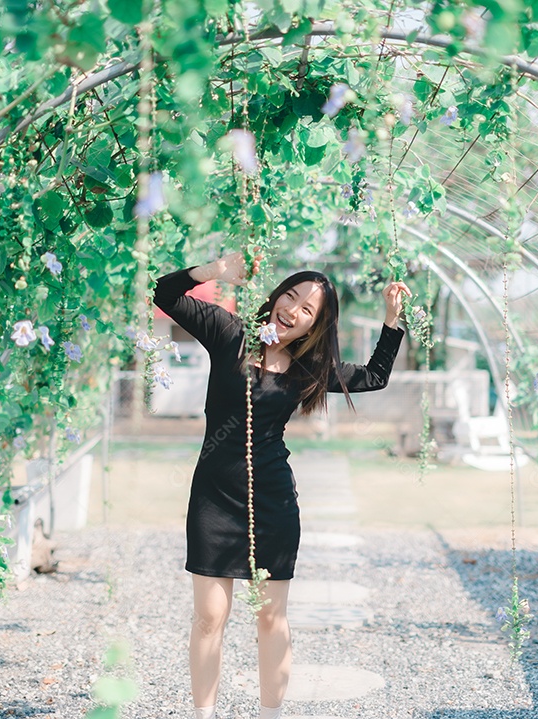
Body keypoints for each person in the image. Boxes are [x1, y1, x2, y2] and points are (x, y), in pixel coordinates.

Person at [152, 251, 411, 719]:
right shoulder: (230, 335)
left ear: (315, 326)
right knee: (210, 616)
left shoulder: (308, 368)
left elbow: (374, 377)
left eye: (307, 309)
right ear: (275, 297)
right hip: (214, 497)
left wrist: (392, 320)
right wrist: (212, 272)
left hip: (272, 502)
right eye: (290, 295)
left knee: (270, 617)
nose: (292, 309)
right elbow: (164, 293)